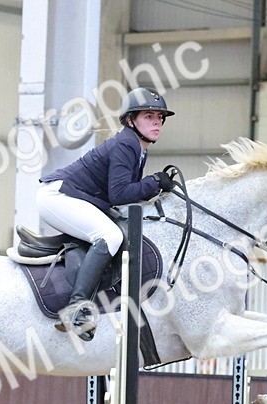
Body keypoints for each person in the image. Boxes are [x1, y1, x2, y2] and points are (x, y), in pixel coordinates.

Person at [37, 87, 178, 339]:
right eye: (149, 116)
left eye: (160, 117)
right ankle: (76, 308)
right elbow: (120, 194)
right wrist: (154, 182)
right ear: (130, 120)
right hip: (57, 197)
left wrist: (153, 185)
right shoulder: (126, 144)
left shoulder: (137, 146)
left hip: (74, 197)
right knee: (110, 236)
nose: (157, 122)